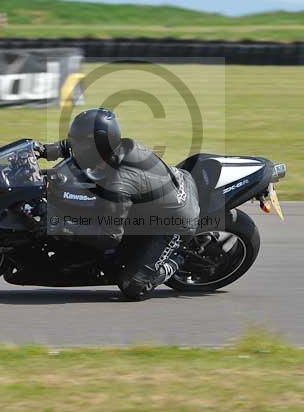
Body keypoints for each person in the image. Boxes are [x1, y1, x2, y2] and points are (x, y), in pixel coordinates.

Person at [40, 108, 200, 300]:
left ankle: (179, 259)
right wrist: (45, 150)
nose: (75, 147)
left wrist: (62, 226)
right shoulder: (120, 146)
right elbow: (79, 148)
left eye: (79, 143)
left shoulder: (119, 184)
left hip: (175, 224)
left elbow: (110, 236)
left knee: (132, 286)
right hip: (167, 193)